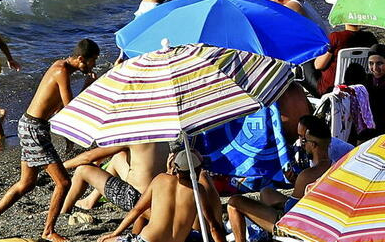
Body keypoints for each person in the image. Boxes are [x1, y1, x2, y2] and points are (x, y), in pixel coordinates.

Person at [0, 39, 100, 242]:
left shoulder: (62, 67)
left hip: (33, 126)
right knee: (63, 182)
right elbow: (70, 108)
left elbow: (57, 107)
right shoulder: (61, 71)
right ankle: (48, 231)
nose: (93, 66)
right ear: (81, 59)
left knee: (26, 184)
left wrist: (66, 134)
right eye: (92, 61)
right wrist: (88, 85)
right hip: (33, 128)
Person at [227, 119, 332, 242]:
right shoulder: (334, 166)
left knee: (234, 202)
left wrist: (284, 201)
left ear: (313, 145)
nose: (301, 144)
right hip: (316, 217)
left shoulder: (307, 175)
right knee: (267, 192)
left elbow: (290, 210)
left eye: (304, 140)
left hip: (295, 227)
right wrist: (295, 184)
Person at [96, 149, 225, 242]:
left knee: (103, 241)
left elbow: (137, 210)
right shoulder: (198, 190)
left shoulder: (160, 179)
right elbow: (214, 227)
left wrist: (115, 233)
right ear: (196, 170)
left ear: (176, 169)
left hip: (147, 240)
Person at [61, 142, 167, 220]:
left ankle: (63, 212)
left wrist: (60, 167)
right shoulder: (161, 138)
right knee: (118, 157)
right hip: (156, 196)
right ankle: (90, 200)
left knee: (82, 170)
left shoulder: (133, 137)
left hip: (135, 199)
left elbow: (88, 157)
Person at [314, 23, 378, 94]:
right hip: (359, 86)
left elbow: (319, 66)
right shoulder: (370, 37)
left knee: (306, 63)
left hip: (331, 88)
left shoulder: (336, 37)